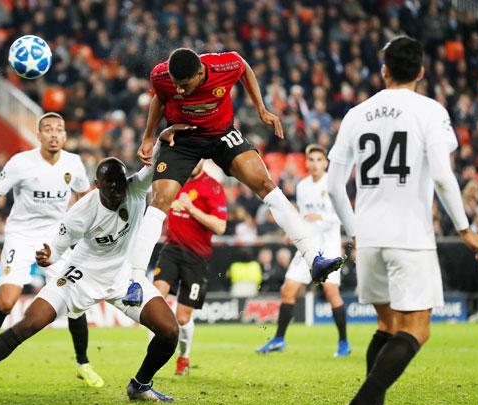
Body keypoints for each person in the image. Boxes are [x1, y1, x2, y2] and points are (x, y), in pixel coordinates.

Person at [326, 36, 478, 405]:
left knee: (386, 325)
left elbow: (334, 186)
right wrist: (465, 229)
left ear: (383, 70)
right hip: (410, 236)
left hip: (369, 238)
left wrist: (354, 231)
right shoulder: (430, 111)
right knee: (417, 329)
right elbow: (445, 178)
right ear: (420, 71)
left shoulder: (356, 114)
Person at [0, 157, 180, 405]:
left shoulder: (135, 189)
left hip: (123, 277)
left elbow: (157, 161)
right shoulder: (81, 212)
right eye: (110, 185)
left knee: (169, 331)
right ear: (97, 185)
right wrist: (47, 256)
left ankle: (139, 385)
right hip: (81, 276)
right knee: (28, 324)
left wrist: (161, 138)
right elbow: (56, 249)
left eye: (120, 183)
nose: (117, 190)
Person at [126, 48, 344, 306]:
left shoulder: (224, 66)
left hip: (221, 135)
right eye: (176, 85)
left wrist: (261, 109)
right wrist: (149, 136)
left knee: (265, 184)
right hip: (183, 139)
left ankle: (313, 259)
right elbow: (159, 100)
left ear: (199, 73)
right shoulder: (161, 75)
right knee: (161, 199)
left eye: (184, 86)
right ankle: (135, 281)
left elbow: (245, 69)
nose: (180, 91)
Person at [0, 112, 103, 389]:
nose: (54, 134)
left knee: (75, 301)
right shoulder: (21, 163)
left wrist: (86, 232)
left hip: (56, 239)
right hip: (21, 236)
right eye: (48, 129)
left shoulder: (74, 163)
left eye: (59, 129)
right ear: (39, 135)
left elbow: (83, 199)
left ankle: (83, 363)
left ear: (65, 136)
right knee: (6, 303)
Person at [257, 144, 350, 357]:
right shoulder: (303, 186)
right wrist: (294, 230)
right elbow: (301, 215)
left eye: (319, 160)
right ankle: (279, 339)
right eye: (311, 160)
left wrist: (322, 218)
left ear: (325, 163)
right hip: (307, 245)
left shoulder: (334, 184)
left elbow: (344, 215)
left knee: (331, 292)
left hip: (328, 246)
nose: (315, 164)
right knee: (288, 290)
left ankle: (343, 342)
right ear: (306, 162)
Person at [152, 159, 227, 376]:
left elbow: (220, 226)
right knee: (156, 297)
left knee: (183, 318)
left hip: (197, 257)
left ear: (203, 159)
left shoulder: (213, 187)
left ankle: (183, 357)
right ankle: (154, 358)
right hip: (171, 249)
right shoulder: (175, 180)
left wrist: (191, 208)